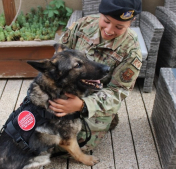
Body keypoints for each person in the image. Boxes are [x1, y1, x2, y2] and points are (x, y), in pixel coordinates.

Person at [49, 0, 142, 152]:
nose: (109, 30)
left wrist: (81, 105)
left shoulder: (131, 52)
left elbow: (118, 91)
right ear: (100, 14)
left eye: (119, 27)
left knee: (73, 142)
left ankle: (107, 118)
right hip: (69, 89)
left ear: (132, 21)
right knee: (35, 124)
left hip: (94, 101)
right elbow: (60, 59)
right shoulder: (82, 26)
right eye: (106, 21)